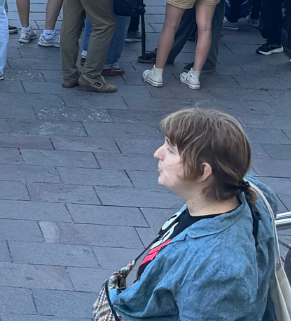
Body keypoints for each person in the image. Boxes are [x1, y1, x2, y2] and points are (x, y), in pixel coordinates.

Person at [104, 109, 277, 320]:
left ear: (203, 172)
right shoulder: (250, 190)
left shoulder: (218, 268)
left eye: (171, 150)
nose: (158, 153)